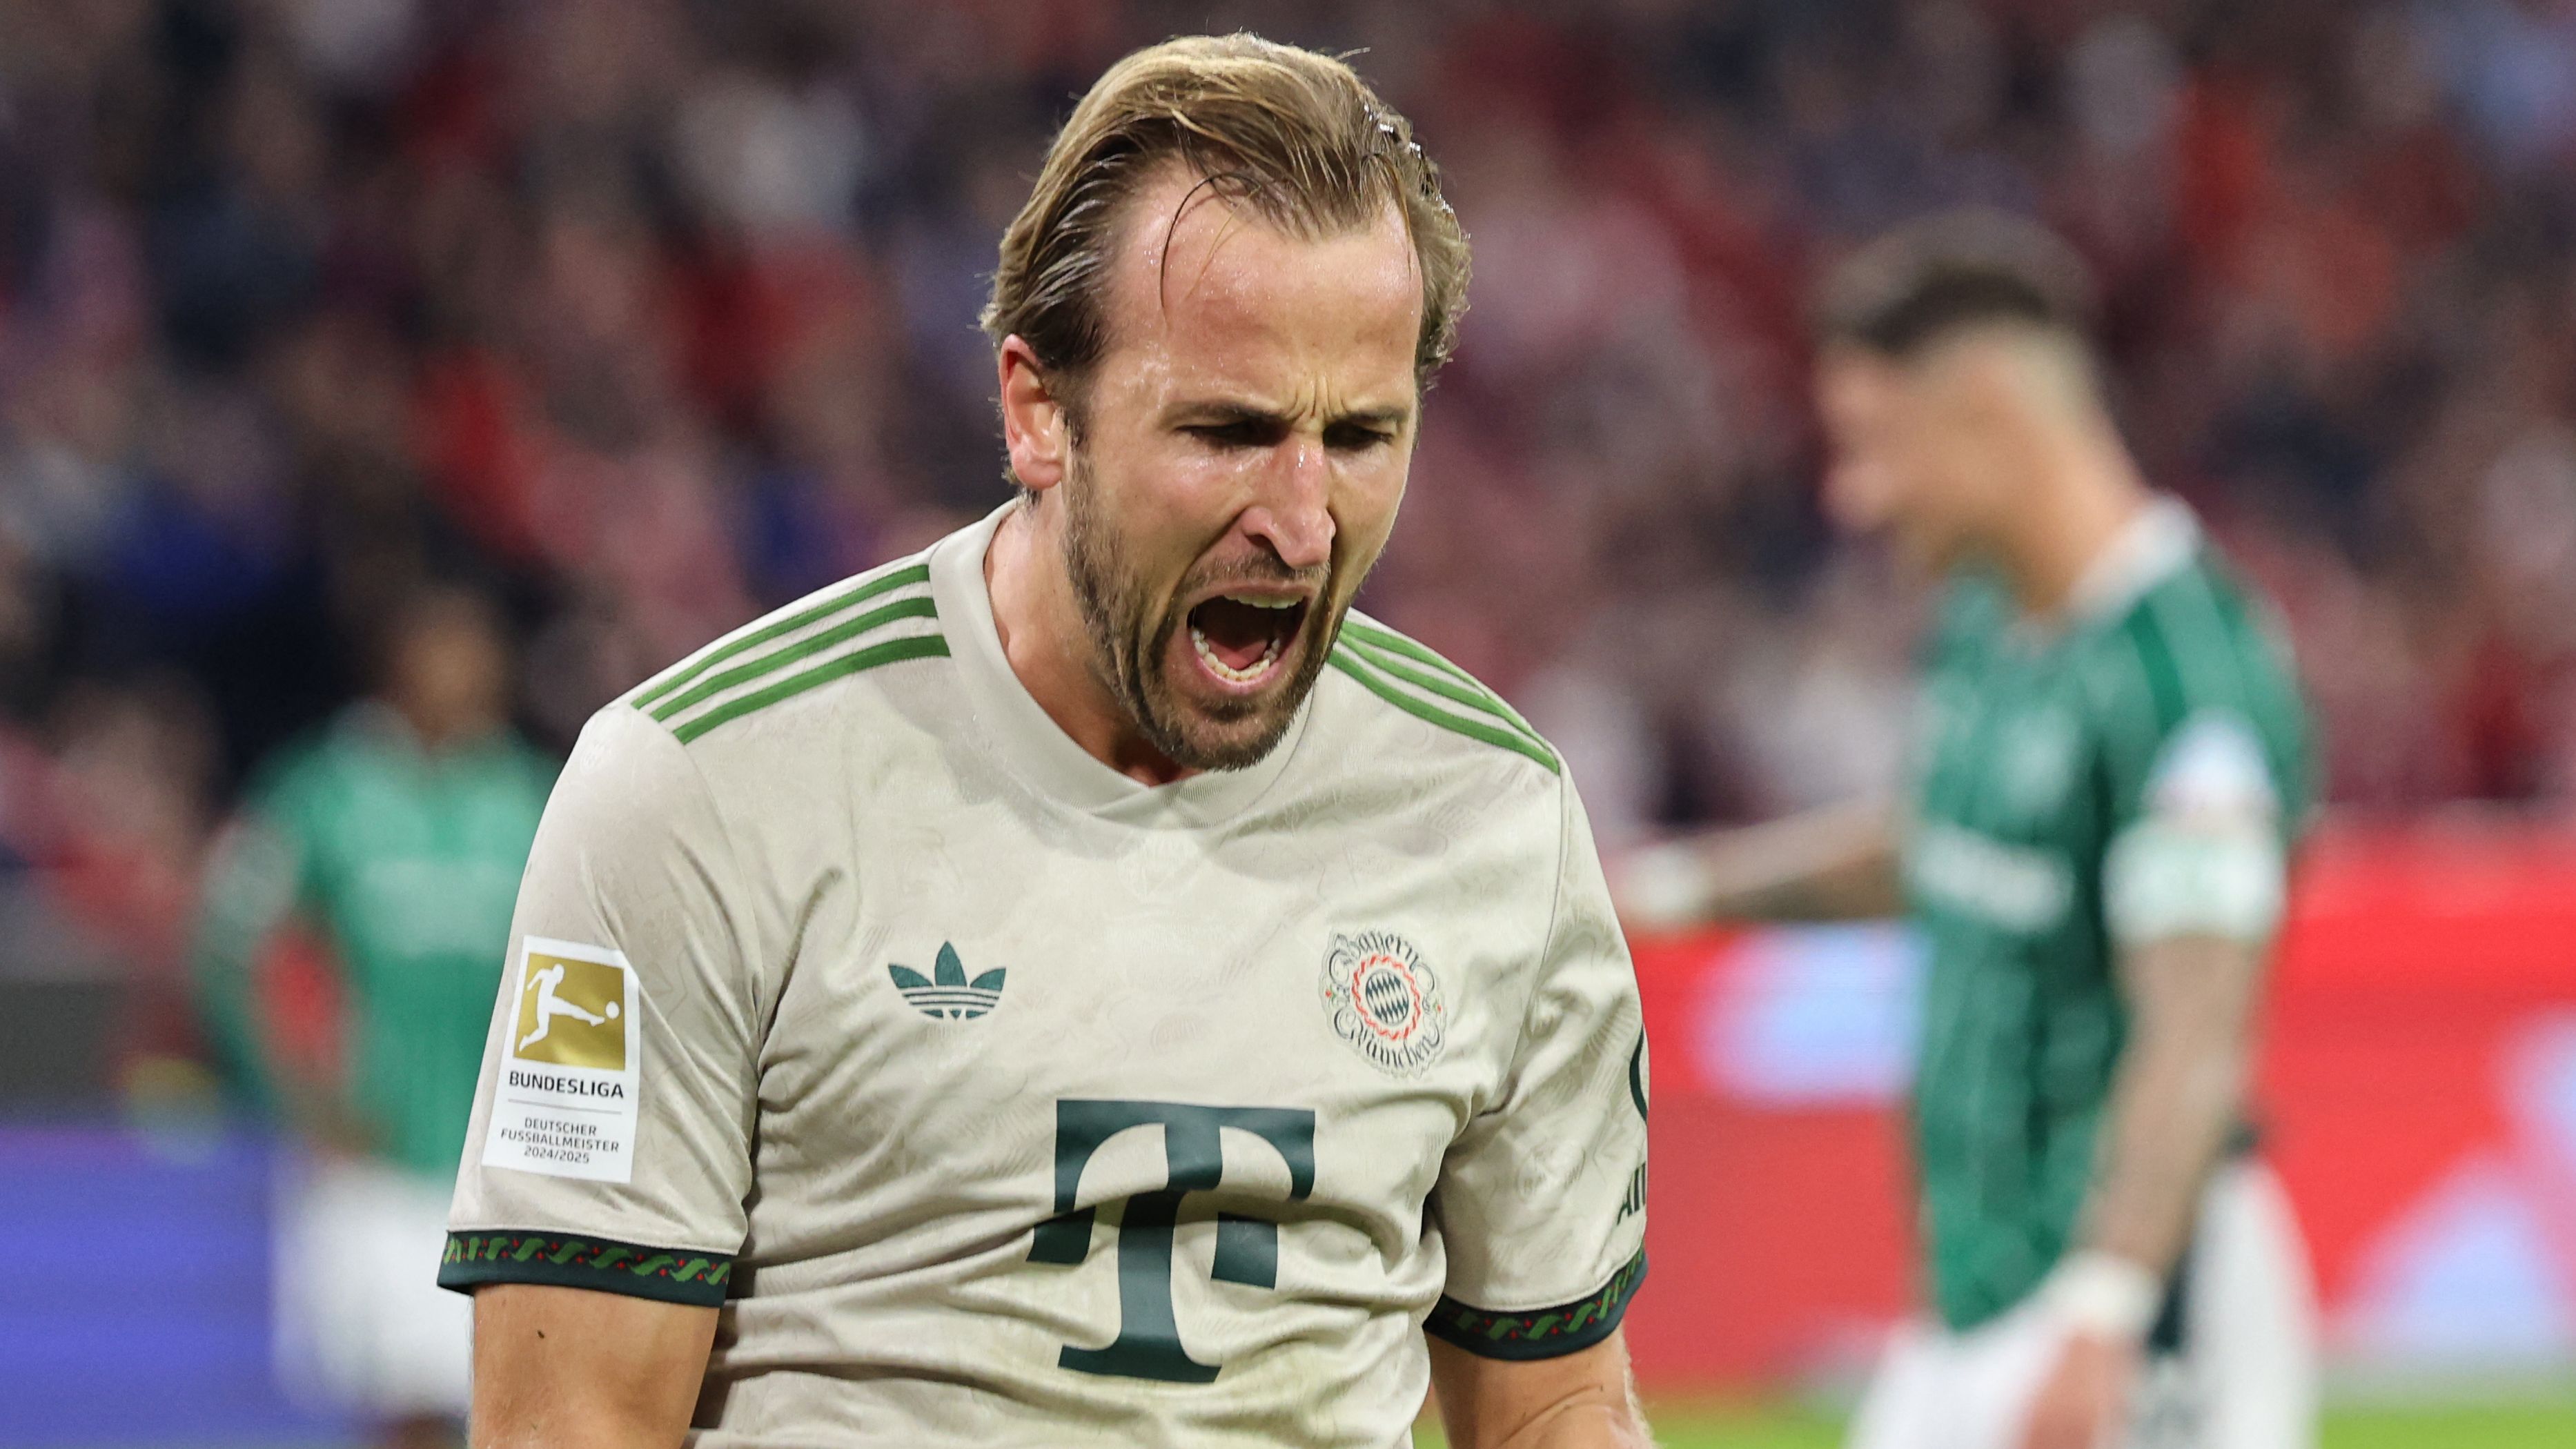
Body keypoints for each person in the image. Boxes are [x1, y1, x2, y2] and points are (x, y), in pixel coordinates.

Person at [440, 34, 1653, 1448]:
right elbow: (571, 1420)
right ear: (1037, 412)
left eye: (1361, 437)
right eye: (1227, 431)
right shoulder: (697, 792)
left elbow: (1556, 1405)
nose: (1301, 521)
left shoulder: (1493, 813)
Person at [1615, 213, 2319, 1449]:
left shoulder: (2186, 677)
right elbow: (1943, 846)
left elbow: (2194, 1029)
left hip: (2135, 1317)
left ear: (1989, 411)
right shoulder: (1991, 625)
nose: (1854, 495)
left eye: (1876, 445)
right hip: (1974, 1309)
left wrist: (2104, 1317)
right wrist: (1665, 893)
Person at [193, 585, 556, 1449]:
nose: (470, 669)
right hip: (380, 1150)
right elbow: (226, 941)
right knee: (409, 1402)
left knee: (520, 1398)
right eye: (446, 647)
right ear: (395, 663)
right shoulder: (321, 792)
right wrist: (299, 1095)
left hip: (510, 1155)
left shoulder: (531, 793)